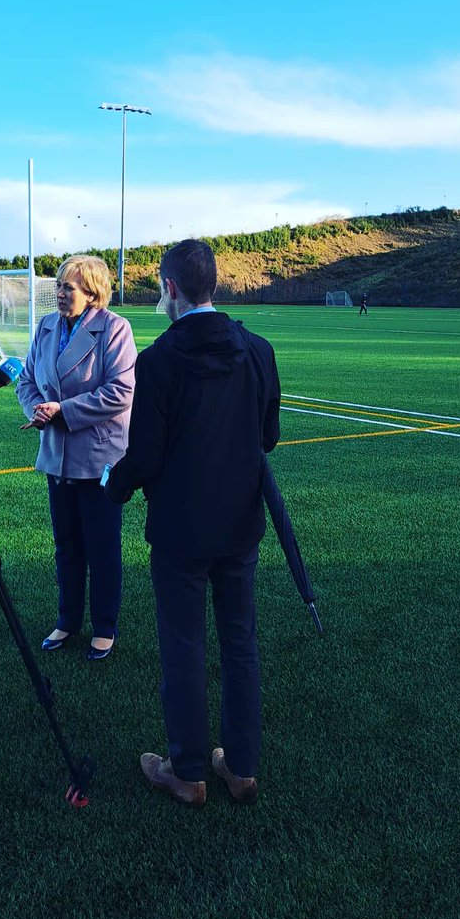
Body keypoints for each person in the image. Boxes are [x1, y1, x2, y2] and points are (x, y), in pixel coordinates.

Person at [105, 239, 280, 806]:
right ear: (214, 284)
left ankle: (187, 771)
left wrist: (113, 485)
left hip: (181, 530)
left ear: (170, 288)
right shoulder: (258, 350)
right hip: (240, 524)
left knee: (183, 646)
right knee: (240, 642)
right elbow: (269, 437)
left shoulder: (158, 361)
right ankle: (242, 768)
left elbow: (145, 456)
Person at [17, 255, 136, 660]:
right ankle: (67, 620)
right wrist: (37, 409)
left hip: (98, 457)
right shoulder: (46, 326)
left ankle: (104, 627)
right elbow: (27, 380)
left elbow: (120, 392)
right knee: (66, 546)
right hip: (57, 455)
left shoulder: (115, 328)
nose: (59, 293)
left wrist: (63, 412)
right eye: (58, 285)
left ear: (92, 292)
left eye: (68, 287)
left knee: (102, 548)